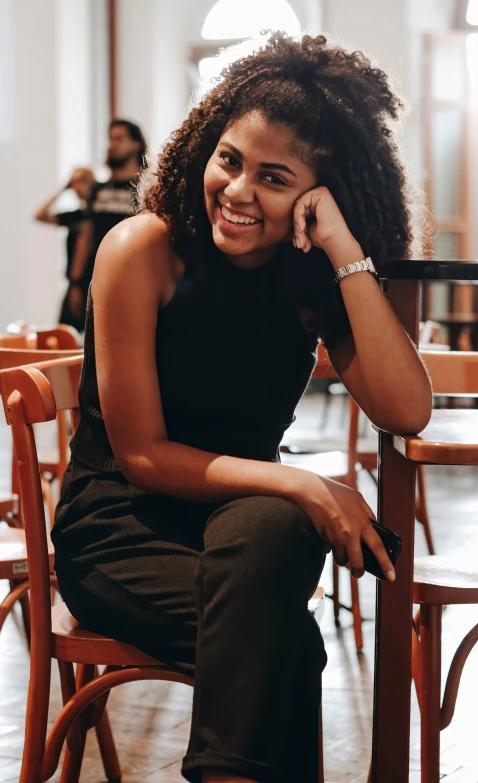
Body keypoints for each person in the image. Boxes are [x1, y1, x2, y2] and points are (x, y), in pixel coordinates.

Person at [51, 33, 433, 783]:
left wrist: (343, 247)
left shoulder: (306, 280)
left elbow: (407, 408)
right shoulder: (143, 251)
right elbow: (143, 456)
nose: (237, 190)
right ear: (204, 145)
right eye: (229, 159)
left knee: (269, 529)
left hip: (240, 535)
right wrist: (304, 482)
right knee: (287, 634)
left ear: (318, 192)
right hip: (121, 533)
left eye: (275, 176)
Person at [65, 118, 148, 326]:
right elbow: (87, 234)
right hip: (92, 281)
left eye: (119, 139)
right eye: (110, 139)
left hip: (131, 282)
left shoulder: (148, 187)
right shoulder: (99, 189)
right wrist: (74, 283)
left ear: (136, 143)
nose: (112, 145)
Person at [34, 167, 95, 331]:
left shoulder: (100, 217)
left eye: (82, 180)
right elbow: (39, 215)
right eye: (74, 182)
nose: (77, 186)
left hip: (93, 282)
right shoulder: (74, 216)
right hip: (74, 284)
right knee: (63, 334)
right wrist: (63, 189)